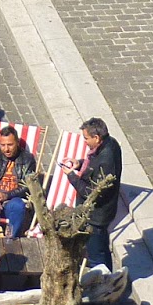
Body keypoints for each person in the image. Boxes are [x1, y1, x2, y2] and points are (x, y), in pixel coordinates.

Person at [62, 117, 123, 272]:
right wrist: (80, 163)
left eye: (86, 138)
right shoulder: (110, 143)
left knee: (97, 252)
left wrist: (71, 176)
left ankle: (104, 282)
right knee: (101, 247)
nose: (85, 142)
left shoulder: (106, 158)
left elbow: (91, 192)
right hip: (101, 212)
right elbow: (93, 168)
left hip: (97, 215)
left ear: (97, 138)